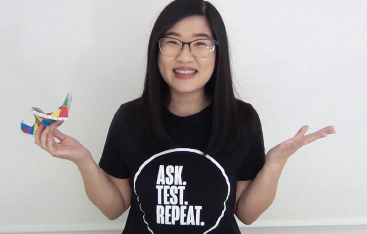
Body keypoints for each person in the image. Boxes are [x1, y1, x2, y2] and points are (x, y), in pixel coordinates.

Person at [34, 0, 336, 233]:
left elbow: (246, 213)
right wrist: (83, 160)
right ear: (157, 50)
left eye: (201, 43)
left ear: (218, 52)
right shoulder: (130, 118)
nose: (185, 56)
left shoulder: (242, 119)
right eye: (172, 41)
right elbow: (114, 208)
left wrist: (274, 164)